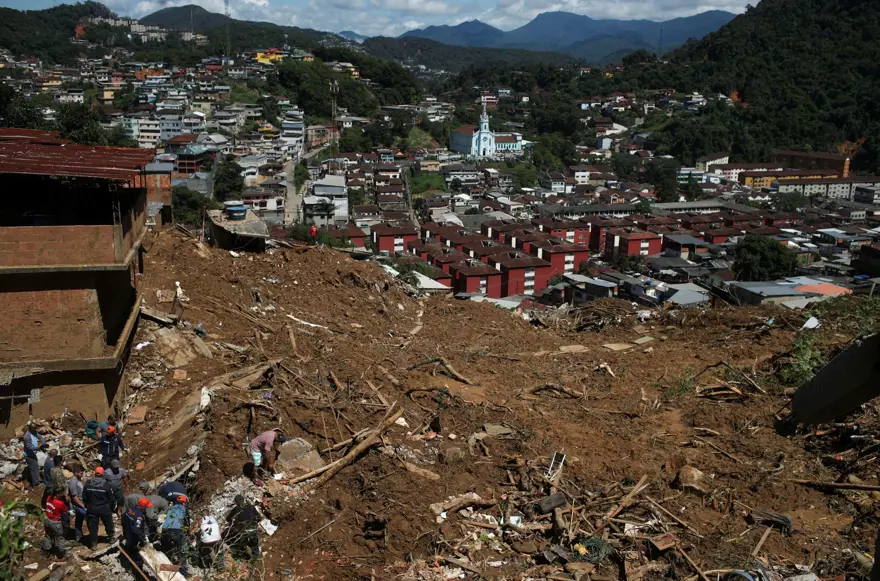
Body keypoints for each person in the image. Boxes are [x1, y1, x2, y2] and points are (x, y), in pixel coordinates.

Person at [83, 466, 116, 549]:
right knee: (108, 523)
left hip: (92, 509)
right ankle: (111, 538)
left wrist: (87, 505)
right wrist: (112, 508)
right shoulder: (106, 485)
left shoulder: (88, 483)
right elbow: (111, 499)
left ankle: (94, 544)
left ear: (95, 473)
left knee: (93, 527)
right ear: (103, 474)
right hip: (104, 508)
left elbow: (84, 497)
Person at [161, 496, 190, 576]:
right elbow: (187, 523)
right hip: (177, 530)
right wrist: (188, 531)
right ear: (184, 503)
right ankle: (184, 571)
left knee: (167, 549)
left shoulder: (170, 508)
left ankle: (166, 566)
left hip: (165, 530)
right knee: (181, 550)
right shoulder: (184, 509)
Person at [226, 495, 260, 559]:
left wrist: (234, 522)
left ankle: (244, 557)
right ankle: (256, 559)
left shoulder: (236, 509)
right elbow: (259, 518)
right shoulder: (251, 506)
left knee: (241, 544)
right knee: (255, 545)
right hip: (253, 530)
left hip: (243, 531)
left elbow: (227, 519)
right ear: (243, 500)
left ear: (236, 502)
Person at [122, 497, 152, 569]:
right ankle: (136, 566)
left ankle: (128, 557)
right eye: (146, 507)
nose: (146, 508)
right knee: (135, 549)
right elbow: (136, 529)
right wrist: (144, 536)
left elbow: (123, 519)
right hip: (133, 536)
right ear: (143, 507)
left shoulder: (130, 509)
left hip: (127, 531)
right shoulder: (139, 516)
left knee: (129, 545)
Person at [42, 491, 68, 558]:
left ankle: (46, 551)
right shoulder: (60, 503)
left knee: (48, 535)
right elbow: (65, 511)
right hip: (55, 522)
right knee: (60, 538)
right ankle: (61, 554)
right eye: (62, 493)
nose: (63, 494)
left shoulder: (48, 498)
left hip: (47, 520)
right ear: (57, 493)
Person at [68, 467, 87, 543]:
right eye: (81, 473)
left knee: (79, 520)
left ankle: (79, 536)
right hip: (78, 504)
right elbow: (74, 497)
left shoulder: (77, 479)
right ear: (76, 473)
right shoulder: (73, 482)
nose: (82, 475)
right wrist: (83, 505)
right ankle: (79, 536)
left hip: (81, 503)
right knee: (86, 518)